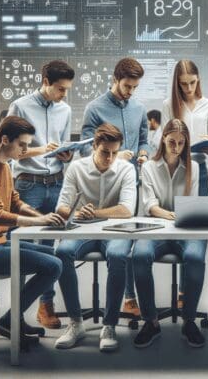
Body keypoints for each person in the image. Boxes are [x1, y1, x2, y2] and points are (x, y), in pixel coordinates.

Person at [0, 116, 66, 341]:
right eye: (22, 145)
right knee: (53, 266)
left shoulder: (5, 166)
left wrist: (43, 216)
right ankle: (9, 320)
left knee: (56, 256)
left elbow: (15, 201)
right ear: (5, 139)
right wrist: (40, 222)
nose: (26, 150)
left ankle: (13, 319)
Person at [52, 124, 137, 352]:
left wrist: (95, 213)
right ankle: (76, 322)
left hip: (115, 229)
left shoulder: (126, 169)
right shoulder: (76, 168)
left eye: (114, 153)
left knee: (119, 254)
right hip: (81, 227)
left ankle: (109, 325)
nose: (110, 158)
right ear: (94, 147)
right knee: (62, 252)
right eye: (104, 152)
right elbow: (61, 206)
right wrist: (78, 213)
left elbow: (127, 210)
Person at [7, 59, 75, 329]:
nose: (64, 94)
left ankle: (46, 306)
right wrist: (43, 149)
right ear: (45, 82)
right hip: (28, 185)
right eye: (60, 89)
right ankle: (16, 316)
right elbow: (10, 150)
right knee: (23, 251)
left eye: (67, 89)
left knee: (49, 250)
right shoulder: (21, 106)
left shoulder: (65, 109)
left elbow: (64, 146)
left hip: (56, 182)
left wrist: (67, 153)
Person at [80, 57, 148, 317]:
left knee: (129, 238)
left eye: (134, 88)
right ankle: (123, 297)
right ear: (115, 79)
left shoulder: (139, 108)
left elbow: (145, 139)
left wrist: (143, 152)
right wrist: (116, 156)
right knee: (114, 240)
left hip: (133, 179)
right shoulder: (94, 108)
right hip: (104, 182)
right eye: (127, 86)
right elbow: (87, 147)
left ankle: (130, 298)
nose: (130, 92)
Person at [132, 119, 207, 348]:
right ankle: (151, 321)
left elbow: (192, 203)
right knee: (139, 256)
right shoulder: (149, 167)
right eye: (171, 141)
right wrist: (169, 215)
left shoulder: (193, 166)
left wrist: (181, 215)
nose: (176, 146)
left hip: (186, 228)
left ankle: (189, 320)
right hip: (157, 227)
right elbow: (150, 205)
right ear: (163, 139)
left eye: (181, 143)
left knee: (195, 257)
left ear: (186, 144)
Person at [162, 60, 208, 196]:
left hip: (201, 164)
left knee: (200, 212)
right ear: (177, 83)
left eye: (192, 82)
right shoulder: (168, 105)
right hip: (177, 166)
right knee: (177, 211)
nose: (189, 88)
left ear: (198, 79)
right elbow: (165, 138)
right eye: (184, 84)